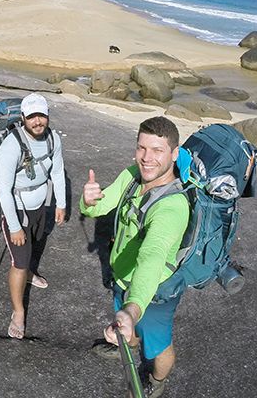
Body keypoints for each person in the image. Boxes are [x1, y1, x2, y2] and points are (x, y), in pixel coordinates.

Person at [80, 116, 189, 398]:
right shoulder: (132, 176)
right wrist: (89, 201)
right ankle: (127, 339)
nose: (146, 158)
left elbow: (152, 258)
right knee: (127, 326)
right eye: (142, 148)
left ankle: (157, 379)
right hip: (124, 279)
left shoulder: (172, 207)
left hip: (154, 293)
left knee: (159, 347)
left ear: (174, 154)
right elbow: (101, 206)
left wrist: (132, 308)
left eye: (157, 150)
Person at [0, 93, 66, 339]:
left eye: (42, 115)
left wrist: (61, 204)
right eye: (33, 116)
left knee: (36, 244)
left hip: (39, 207)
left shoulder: (53, 139)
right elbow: (3, 190)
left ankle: (29, 274)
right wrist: (14, 226)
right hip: (18, 211)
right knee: (20, 261)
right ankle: (18, 312)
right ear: (23, 117)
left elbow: (57, 172)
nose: (38, 121)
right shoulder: (11, 145)